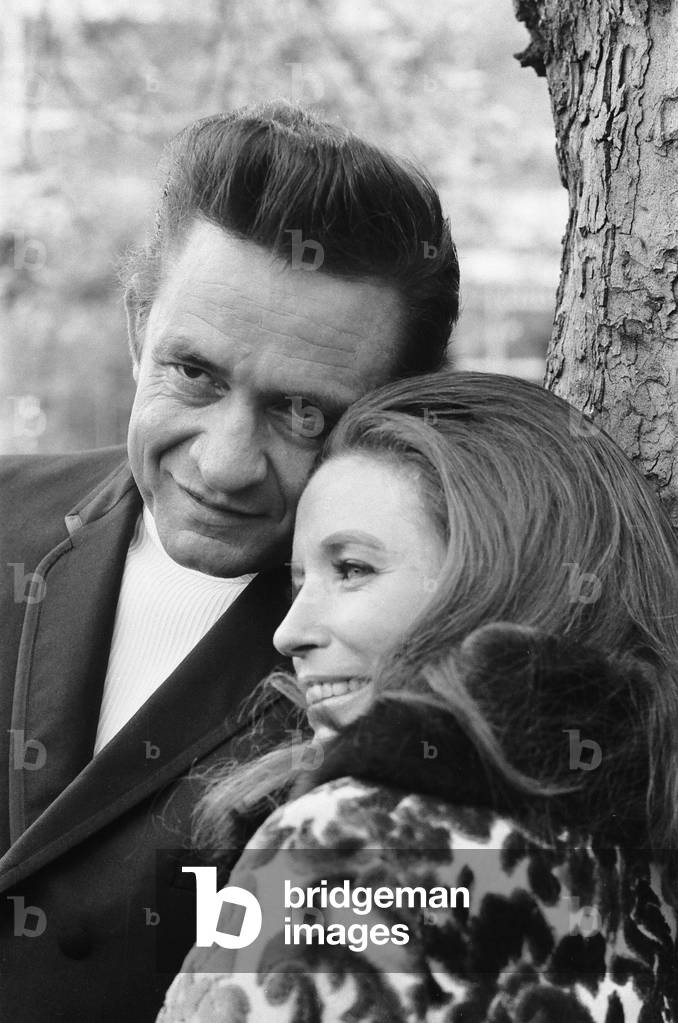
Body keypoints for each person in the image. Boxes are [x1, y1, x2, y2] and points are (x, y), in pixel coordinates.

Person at [0, 102, 459, 1022]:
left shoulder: (427, 658)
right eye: (195, 373)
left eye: (301, 412)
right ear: (139, 327)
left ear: (394, 413)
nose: (222, 463)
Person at [158, 370, 678, 1023]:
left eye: (351, 568)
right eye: (298, 582)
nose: (290, 632)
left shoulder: (350, 842)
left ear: (493, 576)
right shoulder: (639, 866)